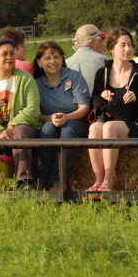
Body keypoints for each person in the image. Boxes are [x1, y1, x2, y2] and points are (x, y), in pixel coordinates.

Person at [87, 28, 138, 192]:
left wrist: (137, 100)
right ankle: (97, 180)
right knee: (94, 127)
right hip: (111, 125)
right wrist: (102, 97)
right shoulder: (102, 73)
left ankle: (108, 180)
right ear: (112, 49)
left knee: (108, 127)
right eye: (123, 45)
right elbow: (95, 101)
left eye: (129, 45)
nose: (127, 49)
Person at [0, 39, 41, 188]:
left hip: (23, 126)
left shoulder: (26, 79)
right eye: (4, 54)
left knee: (20, 131)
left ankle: (24, 180)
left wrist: (11, 126)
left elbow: (33, 108)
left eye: (12, 54)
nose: (10, 57)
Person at [31, 41, 90, 189]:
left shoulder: (74, 76)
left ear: (62, 59)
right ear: (39, 62)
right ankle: (41, 180)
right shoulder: (36, 84)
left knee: (67, 130)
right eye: (47, 58)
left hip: (76, 122)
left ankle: (60, 181)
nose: (53, 62)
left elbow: (84, 107)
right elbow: (38, 114)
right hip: (50, 121)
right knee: (47, 130)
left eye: (56, 57)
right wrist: (50, 118)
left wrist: (68, 117)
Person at [65, 24, 109, 96]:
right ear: (92, 42)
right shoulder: (106, 61)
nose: (102, 45)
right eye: (101, 41)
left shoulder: (65, 64)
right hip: (98, 106)